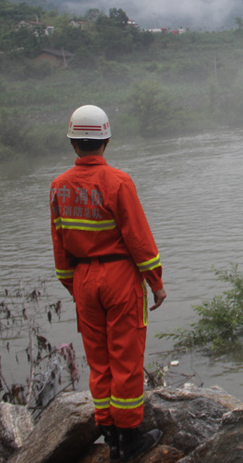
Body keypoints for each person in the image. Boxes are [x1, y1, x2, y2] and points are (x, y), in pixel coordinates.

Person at [50, 104, 166, 462]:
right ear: (107, 140)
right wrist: (156, 281)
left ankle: (110, 434)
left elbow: (59, 244)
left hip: (83, 280)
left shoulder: (58, 187)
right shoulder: (118, 182)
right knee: (126, 358)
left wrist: (74, 285)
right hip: (119, 277)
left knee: (99, 361)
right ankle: (130, 440)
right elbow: (139, 238)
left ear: (73, 143)